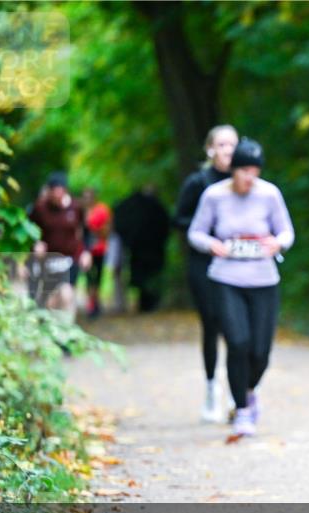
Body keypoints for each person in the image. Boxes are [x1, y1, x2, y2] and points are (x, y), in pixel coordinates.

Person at [188, 138, 294, 439]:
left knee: (260, 351)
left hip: (263, 279)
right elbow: (195, 232)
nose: (250, 177)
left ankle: (248, 391)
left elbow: (286, 230)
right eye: (245, 170)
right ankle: (242, 411)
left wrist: (278, 242)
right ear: (233, 170)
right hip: (226, 278)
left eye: (255, 171)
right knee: (237, 342)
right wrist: (213, 245)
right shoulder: (214, 196)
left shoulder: (269, 194)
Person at [176, 125, 239, 422]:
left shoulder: (245, 181)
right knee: (212, 324)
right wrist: (209, 235)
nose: (227, 150)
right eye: (222, 144)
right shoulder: (198, 182)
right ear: (210, 149)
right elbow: (179, 218)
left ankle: (236, 393)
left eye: (232, 145)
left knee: (236, 328)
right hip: (204, 263)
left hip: (239, 264)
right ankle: (212, 389)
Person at [28, 172, 92, 323]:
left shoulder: (76, 208)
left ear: (65, 191)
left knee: (67, 294)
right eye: (54, 192)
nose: (57, 196)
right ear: (49, 192)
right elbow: (28, 231)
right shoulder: (40, 208)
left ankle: (67, 335)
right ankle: (52, 333)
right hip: (48, 260)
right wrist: (35, 244)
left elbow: (87, 231)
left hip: (70, 258)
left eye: (60, 191)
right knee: (51, 300)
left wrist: (86, 252)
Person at [113, 185, 171, 313]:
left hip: (145, 250)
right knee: (146, 277)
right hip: (145, 250)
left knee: (147, 277)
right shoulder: (152, 208)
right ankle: (147, 303)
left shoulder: (138, 207)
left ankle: (148, 303)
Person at [82, 188, 113, 318]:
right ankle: (91, 303)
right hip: (86, 251)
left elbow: (107, 228)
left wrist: (96, 232)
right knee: (89, 278)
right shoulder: (81, 211)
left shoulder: (102, 210)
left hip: (99, 249)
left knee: (98, 277)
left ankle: (96, 302)